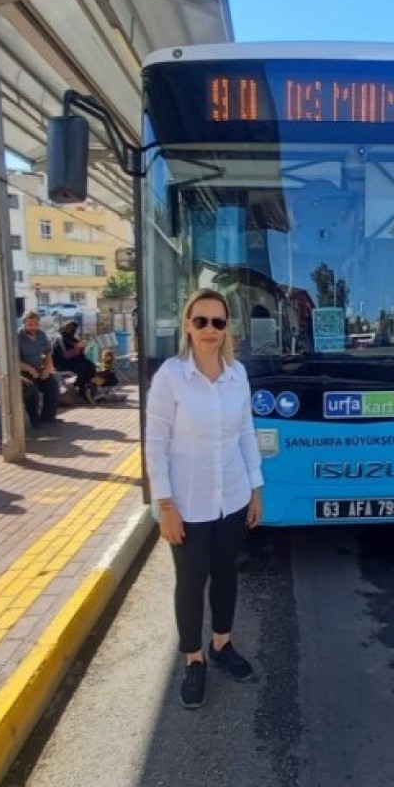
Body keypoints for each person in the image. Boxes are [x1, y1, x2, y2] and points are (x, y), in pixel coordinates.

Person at [145, 288, 264, 710]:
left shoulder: (237, 376)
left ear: (228, 328)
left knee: (227, 575)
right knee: (191, 582)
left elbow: (246, 434)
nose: (210, 330)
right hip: (188, 505)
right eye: (201, 321)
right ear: (187, 326)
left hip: (231, 498)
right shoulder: (170, 377)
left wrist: (255, 488)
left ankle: (222, 644)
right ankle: (193, 659)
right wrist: (165, 506)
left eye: (218, 322)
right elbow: (155, 443)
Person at [17, 311, 60, 424]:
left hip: (38, 368)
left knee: (53, 385)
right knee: (32, 389)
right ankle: (34, 420)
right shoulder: (17, 337)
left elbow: (47, 353)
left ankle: (48, 417)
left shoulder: (41, 335)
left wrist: (47, 368)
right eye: (30, 324)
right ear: (24, 324)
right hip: (22, 371)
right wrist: (28, 369)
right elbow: (13, 359)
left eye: (36, 324)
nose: (33, 327)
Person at [52, 319, 99, 404]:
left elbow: (80, 353)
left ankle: (84, 387)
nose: (72, 331)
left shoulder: (72, 339)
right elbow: (65, 355)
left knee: (91, 366)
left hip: (75, 361)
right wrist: (76, 348)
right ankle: (80, 388)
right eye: (71, 328)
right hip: (63, 363)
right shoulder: (60, 340)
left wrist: (82, 347)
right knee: (82, 368)